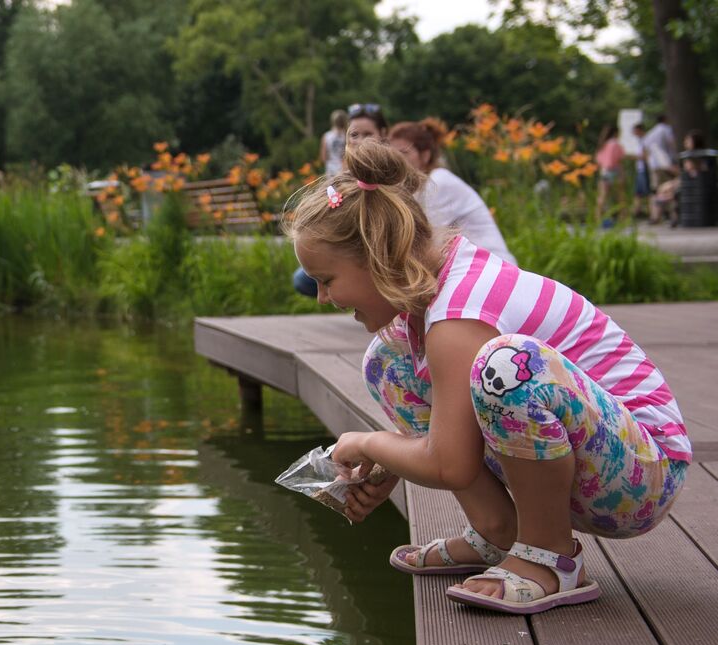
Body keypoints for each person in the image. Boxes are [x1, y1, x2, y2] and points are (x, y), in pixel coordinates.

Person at [286, 142, 689, 615]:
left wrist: (370, 443)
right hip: (596, 461)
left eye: (326, 280)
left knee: (506, 366)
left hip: (643, 474)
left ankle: (550, 557)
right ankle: (498, 531)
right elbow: (446, 443)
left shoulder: (461, 312)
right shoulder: (438, 292)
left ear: (377, 257)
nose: (320, 297)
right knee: (387, 362)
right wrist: (397, 460)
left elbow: (450, 463)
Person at [388, 119, 516, 264]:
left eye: (404, 153)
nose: (397, 161)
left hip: (493, 268)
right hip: (476, 267)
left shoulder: (438, 182)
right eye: (393, 155)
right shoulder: (421, 188)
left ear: (425, 155)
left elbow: (428, 244)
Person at [295, 103, 391, 296]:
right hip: (347, 249)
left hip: (381, 254)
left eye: (368, 134)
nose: (361, 141)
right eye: (355, 135)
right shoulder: (341, 177)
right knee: (304, 278)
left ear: (382, 134)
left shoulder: (392, 173)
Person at [651, 130, 706, 225]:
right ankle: (667, 216)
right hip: (690, 183)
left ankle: (661, 217)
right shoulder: (694, 156)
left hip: (690, 185)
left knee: (664, 192)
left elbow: (687, 174)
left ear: (695, 142)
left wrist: (670, 169)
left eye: (688, 140)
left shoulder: (692, 157)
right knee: (663, 191)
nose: (685, 142)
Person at [594, 124, 625, 225]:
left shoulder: (603, 144)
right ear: (616, 133)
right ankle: (622, 218)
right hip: (614, 171)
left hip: (604, 171)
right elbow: (618, 159)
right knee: (620, 196)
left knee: (602, 196)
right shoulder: (615, 144)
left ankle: (597, 218)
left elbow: (598, 159)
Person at [321, 109, 349, 176]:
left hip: (330, 168)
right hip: (344, 168)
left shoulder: (326, 136)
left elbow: (323, 157)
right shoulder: (348, 136)